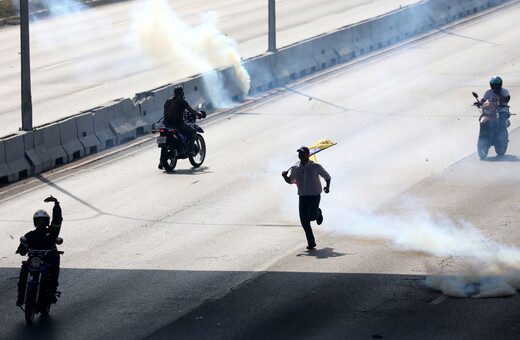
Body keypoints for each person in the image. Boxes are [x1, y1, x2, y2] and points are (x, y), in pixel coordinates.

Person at [16, 195, 63, 306]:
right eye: (39, 221)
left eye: (43, 220)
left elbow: (57, 220)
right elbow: (24, 243)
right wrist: (21, 249)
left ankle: (51, 293)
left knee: (53, 269)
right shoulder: (30, 234)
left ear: (47, 222)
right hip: (35, 260)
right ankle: (21, 297)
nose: (41, 222)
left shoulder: (52, 232)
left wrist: (56, 204)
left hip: (49, 258)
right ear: (35, 222)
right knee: (24, 271)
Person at [282, 146, 331, 250]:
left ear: (308, 155)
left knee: (312, 216)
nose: (300, 155)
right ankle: (311, 242)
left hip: (314, 196)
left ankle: (318, 213)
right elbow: (290, 181)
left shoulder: (315, 166)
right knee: (304, 221)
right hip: (302, 197)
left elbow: (327, 176)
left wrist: (327, 187)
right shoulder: (295, 168)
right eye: (299, 154)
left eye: (303, 153)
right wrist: (285, 176)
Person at [162, 86, 202, 155]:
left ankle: (161, 161)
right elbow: (192, 111)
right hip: (178, 125)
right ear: (182, 94)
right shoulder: (182, 102)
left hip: (167, 124)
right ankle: (191, 149)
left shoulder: (168, 101)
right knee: (193, 132)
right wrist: (199, 114)